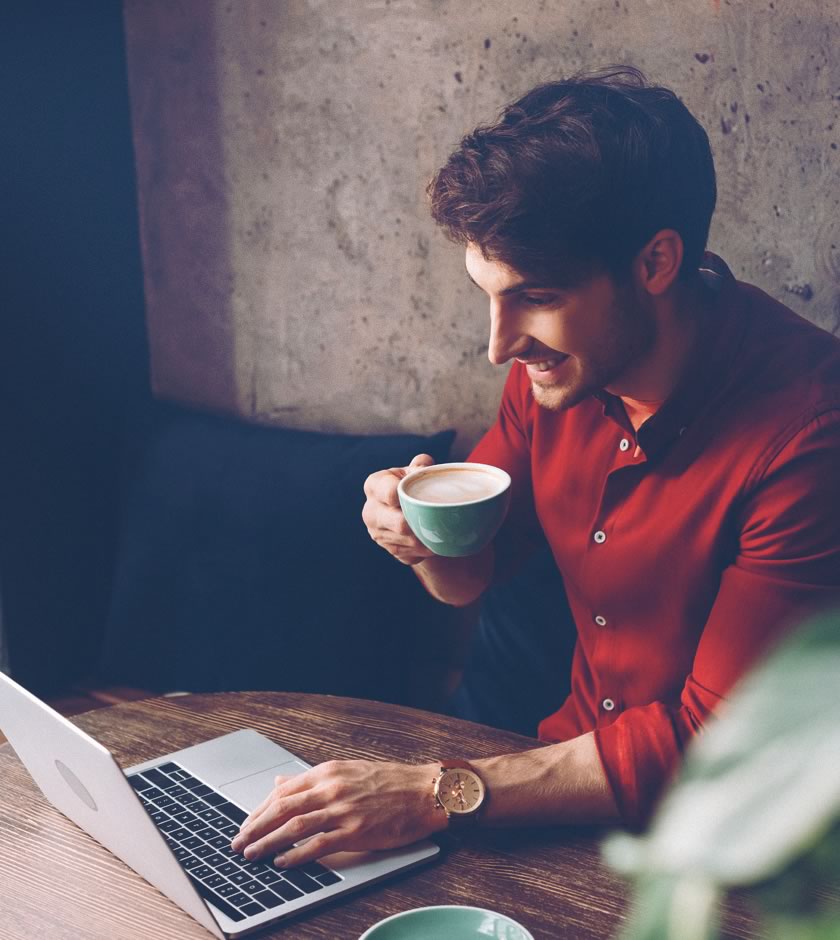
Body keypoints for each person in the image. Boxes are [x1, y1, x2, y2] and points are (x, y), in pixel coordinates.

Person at [231, 67, 840, 868]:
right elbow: (473, 571)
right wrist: (421, 535)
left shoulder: (809, 435)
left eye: (535, 297)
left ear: (657, 262)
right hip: (558, 800)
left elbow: (719, 745)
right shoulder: (556, 372)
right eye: (488, 295)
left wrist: (432, 793)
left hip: (738, 849)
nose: (500, 346)